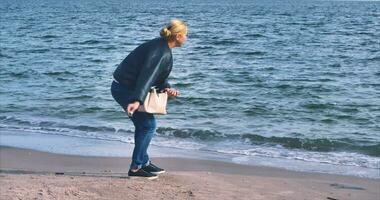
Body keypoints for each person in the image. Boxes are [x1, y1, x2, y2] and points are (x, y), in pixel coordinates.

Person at [110, 19, 188, 179]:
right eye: (186, 35)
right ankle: (136, 168)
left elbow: (155, 75)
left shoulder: (161, 46)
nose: (187, 38)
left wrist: (166, 87)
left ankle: (143, 162)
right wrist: (137, 100)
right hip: (124, 89)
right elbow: (147, 76)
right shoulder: (161, 51)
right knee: (148, 125)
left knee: (144, 125)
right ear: (178, 36)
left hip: (125, 87)